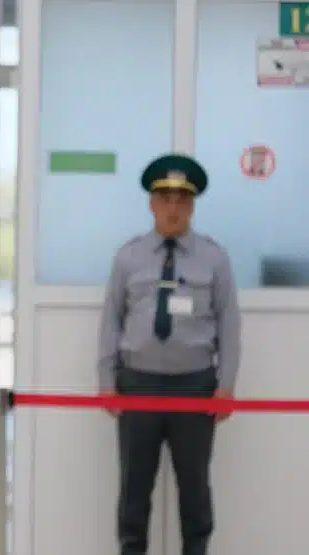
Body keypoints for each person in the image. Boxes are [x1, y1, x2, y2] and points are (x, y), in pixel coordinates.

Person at [98, 153, 242, 555]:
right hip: (138, 384)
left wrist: (226, 385)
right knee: (134, 488)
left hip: (195, 387)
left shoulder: (214, 258)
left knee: (194, 489)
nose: (173, 208)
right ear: (152, 203)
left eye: (182, 200)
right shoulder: (128, 257)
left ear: (192, 206)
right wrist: (107, 381)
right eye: (165, 198)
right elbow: (111, 320)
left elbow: (229, 324)